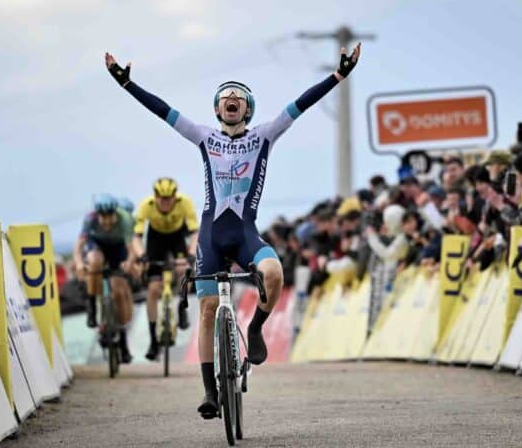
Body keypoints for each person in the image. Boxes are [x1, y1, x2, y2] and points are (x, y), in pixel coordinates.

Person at [105, 42, 361, 418]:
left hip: (244, 234)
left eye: (238, 98)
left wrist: (339, 76)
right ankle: (210, 392)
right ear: (216, 108)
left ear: (247, 109)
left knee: (273, 273)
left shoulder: (264, 136)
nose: (231, 100)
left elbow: (301, 104)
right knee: (208, 308)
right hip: (211, 237)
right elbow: (163, 111)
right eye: (225, 97)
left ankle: (255, 329)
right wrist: (127, 84)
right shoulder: (204, 136)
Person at [132, 177, 199, 361]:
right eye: (162, 198)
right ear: (155, 197)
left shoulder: (185, 203)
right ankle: (154, 340)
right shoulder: (146, 205)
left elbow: (194, 233)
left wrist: (191, 253)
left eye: (169, 198)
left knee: (183, 270)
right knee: (153, 290)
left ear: (175, 197)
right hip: (156, 241)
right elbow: (136, 237)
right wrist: (140, 254)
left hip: (177, 238)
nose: (166, 202)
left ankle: (181, 307)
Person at [73, 194, 135, 363]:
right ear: (97, 215)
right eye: (103, 218)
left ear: (116, 214)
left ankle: (123, 342)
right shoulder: (89, 219)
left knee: (119, 289)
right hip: (97, 245)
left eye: (110, 218)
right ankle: (92, 306)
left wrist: (129, 263)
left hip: (117, 248)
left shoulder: (125, 220)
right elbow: (78, 247)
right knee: (94, 262)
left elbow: (131, 249)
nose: (107, 222)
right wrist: (79, 264)